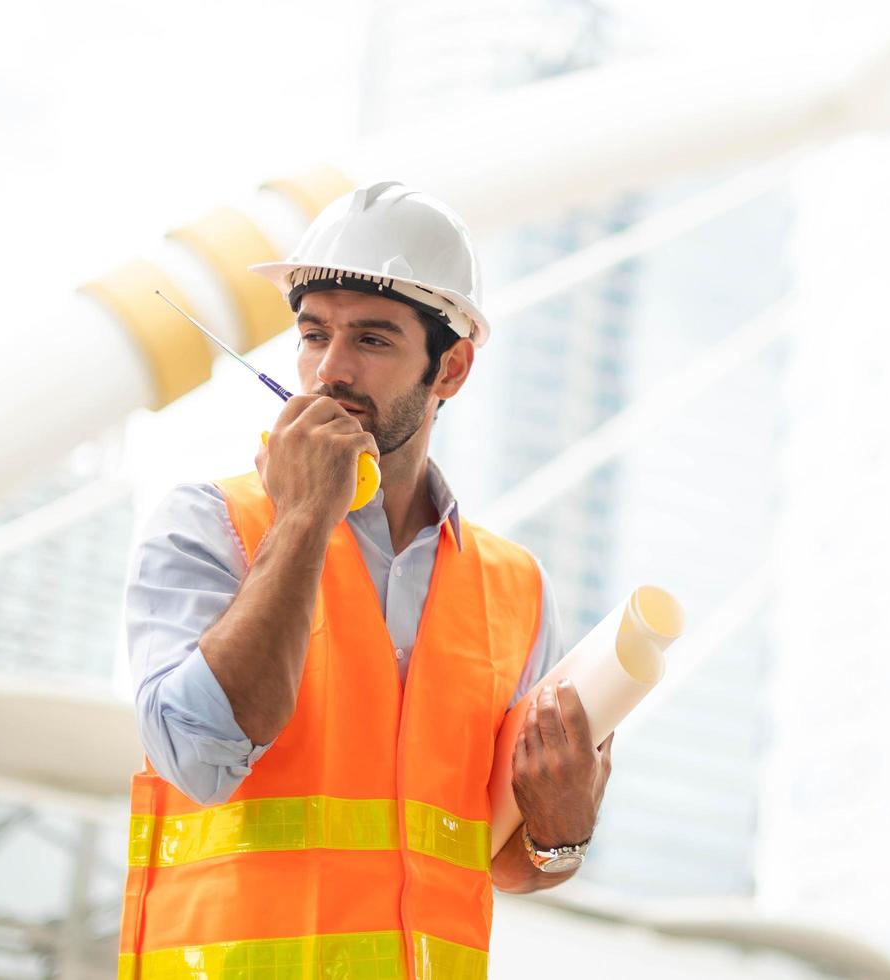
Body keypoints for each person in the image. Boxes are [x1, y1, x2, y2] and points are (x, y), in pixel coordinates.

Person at [119, 180, 610, 978]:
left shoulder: (515, 588)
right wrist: (304, 518)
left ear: (450, 369)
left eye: (373, 341)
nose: (330, 371)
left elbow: (504, 860)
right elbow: (201, 760)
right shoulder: (207, 525)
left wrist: (564, 832)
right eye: (314, 336)